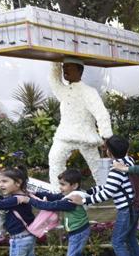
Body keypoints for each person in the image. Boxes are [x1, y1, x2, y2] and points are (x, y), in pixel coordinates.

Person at [69, 135, 139, 256]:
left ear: (109, 152)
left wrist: (84, 200)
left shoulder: (116, 170)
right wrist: (88, 191)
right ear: (127, 149)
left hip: (126, 209)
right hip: (134, 207)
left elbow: (107, 193)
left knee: (117, 242)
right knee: (130, 237)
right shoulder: (128, 161)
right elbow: (108, 186)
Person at [19, 169, 104, 256]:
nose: (60, 187)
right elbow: (52, 197)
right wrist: (33, 193)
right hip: (75, 230)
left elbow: (49, 205)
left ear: (74, 185)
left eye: (63, 185)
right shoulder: (69, 195)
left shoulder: (71, 200)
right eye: (60, 184)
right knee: (76, 255)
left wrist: (29, 200)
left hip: (79, 231)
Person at [47, 57, 113, 188]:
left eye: (69, 67)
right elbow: (54, 81)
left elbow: (101, 114)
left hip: (86, 136)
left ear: (79, 71)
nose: (65, 69)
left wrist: (107, 137)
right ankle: (57, 191)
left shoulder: (89, 92)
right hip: (64, 135)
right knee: (54, 159)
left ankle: (106, 189)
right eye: (64, 67)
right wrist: (54, 60)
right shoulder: (63, 91)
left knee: (96, 167)